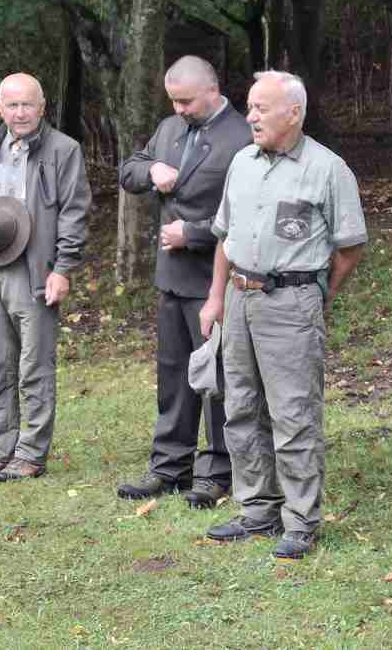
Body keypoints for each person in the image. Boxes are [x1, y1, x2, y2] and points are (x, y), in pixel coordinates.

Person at [198, 71, 366, 560]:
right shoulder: (242, 163)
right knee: (241, 407)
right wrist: (215, 298)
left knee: (293, 414)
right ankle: (257, 509)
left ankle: (300, 520)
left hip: (291, 302)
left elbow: (350, 247)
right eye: (249, 107)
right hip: (238, 299)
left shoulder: (328, 169)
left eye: (261, 108)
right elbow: (224, 238)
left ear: (293, 113)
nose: (250, 116)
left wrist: (316, 294)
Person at [116, 56, 252, 508]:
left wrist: (193, 233)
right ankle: (169, 466)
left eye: (186, 101)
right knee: (173, 375)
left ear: (212, 90)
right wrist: (152, 171)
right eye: (173, 101)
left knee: (216, 379)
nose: (179, 109)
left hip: (215, 280)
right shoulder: (169, 129)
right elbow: (129, 170)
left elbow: (248, 215)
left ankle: (217, 471)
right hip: (171, 279)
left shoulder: (241, 137)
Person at [0, 73, 91, 483]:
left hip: (36, 269)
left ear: (42, 107)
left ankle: (30, 454)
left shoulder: (64, 149)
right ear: (0, 108)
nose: (20, 113)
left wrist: (63, 269)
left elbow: (74, 212)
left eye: (27, 104)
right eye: (12, 105)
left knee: (34, 364)